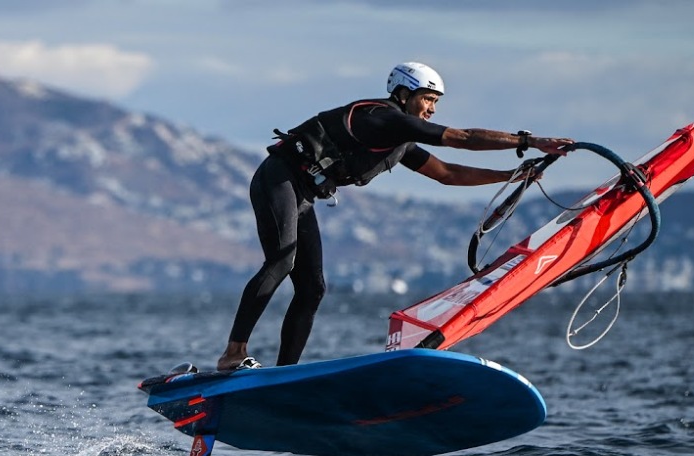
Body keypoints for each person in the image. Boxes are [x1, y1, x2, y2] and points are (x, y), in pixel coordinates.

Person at [217, 62, 573, 371]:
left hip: (304, 193)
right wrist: (531, 140)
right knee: (282, 261)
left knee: (313, 287)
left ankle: (283, 377)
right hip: (278, 177)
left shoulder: (399, 140)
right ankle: (234, 353)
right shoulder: (380, 117)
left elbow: (447, 173)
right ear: (403, 94)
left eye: (435, 102)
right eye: (427, 99)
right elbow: (461, 137)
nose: (432, 109)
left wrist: (509, 176)